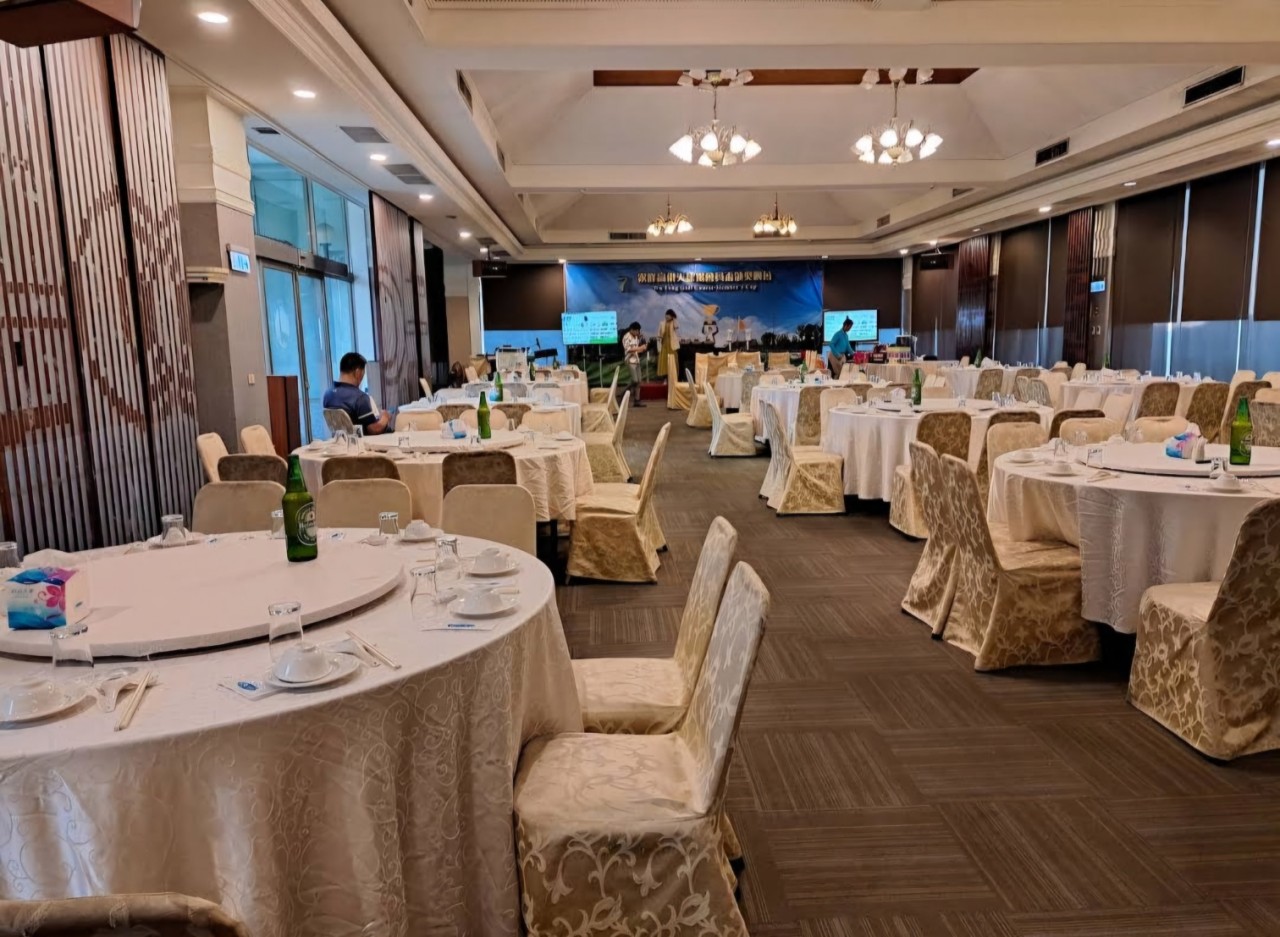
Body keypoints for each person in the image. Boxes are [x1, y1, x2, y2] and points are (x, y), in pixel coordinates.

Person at [322, 352, 392, 435]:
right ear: (358, 373)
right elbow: (374, 430)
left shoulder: (328, 394)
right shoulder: (360, 397)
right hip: (361, 441)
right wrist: (385, 417)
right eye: (363, 374)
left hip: (341, 441)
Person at [622, 321, 648, 408]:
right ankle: (623, 393)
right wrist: (640, 348)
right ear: (632, 329)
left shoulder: (636, 337)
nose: (638, 332)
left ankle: (637, 400)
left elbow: (636, 350)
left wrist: (643, 348)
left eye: (638, 331)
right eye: (637, 330)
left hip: (636, 360)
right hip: (630, 360)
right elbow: (628, 349)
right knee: (635, 380)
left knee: (639, 381)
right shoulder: (626, 337)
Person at [657, 310, 679, 383]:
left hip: (672, 345)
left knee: (672, 361)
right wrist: (659, 339)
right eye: (666, 315)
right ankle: (665, 378)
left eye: (669, 315)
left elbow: (676, 326)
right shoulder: (662, 323)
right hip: (664, 344)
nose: (667, 316)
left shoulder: (674, 322)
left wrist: (674, 319)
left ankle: (672, 378)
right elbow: (659, 333)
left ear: (672, 316)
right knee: (664, 362)